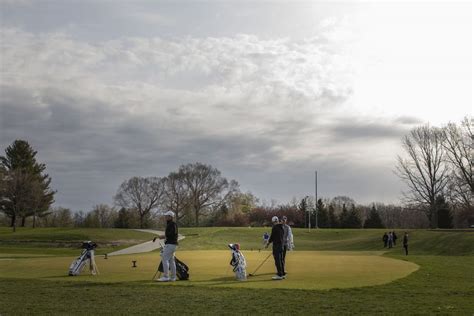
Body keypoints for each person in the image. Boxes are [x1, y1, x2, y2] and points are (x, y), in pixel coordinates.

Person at [156, 211, 179, 282]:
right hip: (172, 244)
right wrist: (165, 236)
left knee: (164, 258)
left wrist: (164, 236)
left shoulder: (173, 224)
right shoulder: (170, 224)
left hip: (171, 244)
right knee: (171, 260)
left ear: (170, 217)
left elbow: (172, 233)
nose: (165, 217)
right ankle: (173, 277)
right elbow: (171, 234)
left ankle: (166, 276)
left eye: (167, 216)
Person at [265, 216, 285, 280]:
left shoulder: (274, 227)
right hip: (282, 246)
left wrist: (267, 244)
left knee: (277, 261)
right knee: (281, 260)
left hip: (276, 246)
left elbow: (272, 237)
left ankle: (279, 275)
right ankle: (282, 273)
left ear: (273, 221)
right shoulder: (282, 227)